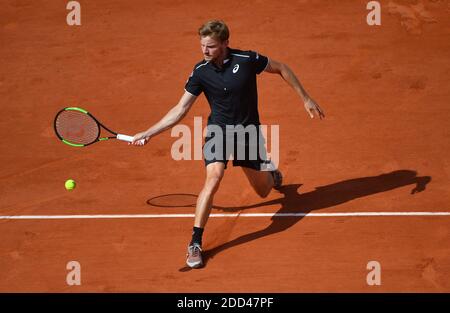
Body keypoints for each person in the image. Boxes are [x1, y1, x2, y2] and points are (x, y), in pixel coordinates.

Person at [130, 20, 325, 268]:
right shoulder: (200, 71)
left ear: (225, 44)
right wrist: (149, 132)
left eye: (210, 46)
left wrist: (306, 98)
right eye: (202, 45)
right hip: (218, 133)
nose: (205, 51)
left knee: (263, 190)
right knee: (213, 177)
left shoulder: (246, 59)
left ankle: (271, 174)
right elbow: (181, 109)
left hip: (248, 134)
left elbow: (282, 68)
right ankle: (195, 243)